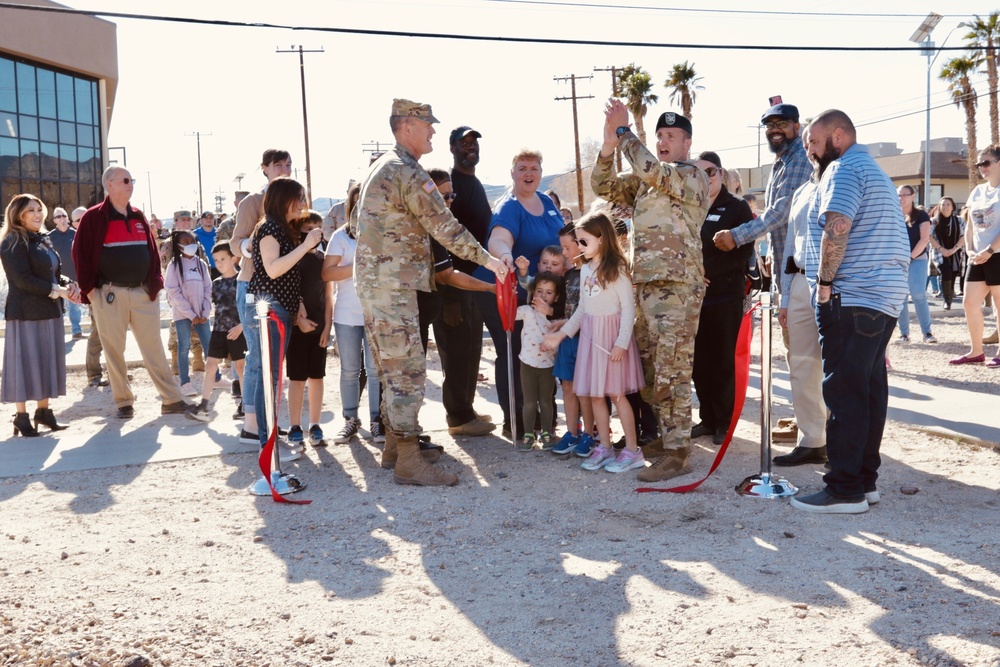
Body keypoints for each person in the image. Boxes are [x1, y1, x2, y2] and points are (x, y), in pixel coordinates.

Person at [354, 98, 505, 487]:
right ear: (407, 128)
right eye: (427, 126)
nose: (433, 131)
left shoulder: (382, 166)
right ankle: (408, 459)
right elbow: (446, 227)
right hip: (394, 285)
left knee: (391, 368)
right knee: (407, 371)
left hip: (379, 283)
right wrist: (490, 262)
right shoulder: (406, 170)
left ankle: (393, 446)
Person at [789, 109, 909, 514]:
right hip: (882, 297)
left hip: (853, 295)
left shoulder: (842, 169)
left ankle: (844, 490)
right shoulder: (872, 170)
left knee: (843, 391)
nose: (810, 150)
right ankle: (864, 481)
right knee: (868, 390)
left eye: (815, 142)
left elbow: (836, 226)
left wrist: (823, 285)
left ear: (838, 136)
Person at [592, 100, 709, 482]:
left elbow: (651, 170)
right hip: (646, 284)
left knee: (673, 371)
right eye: (659, 135)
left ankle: (678, 452)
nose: (663, 141)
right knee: (650, 369)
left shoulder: (692, 176)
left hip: (677, 287)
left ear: (687, 143)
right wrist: (610, 144)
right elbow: (603, 185)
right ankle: (666, 437)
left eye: (671, 136)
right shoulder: (646, 179)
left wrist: (627, 133)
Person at [712, 100, 813, 444]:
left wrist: (737, 236)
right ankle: (807, 421)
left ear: (797, 127)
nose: (775, 130)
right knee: (796, 353)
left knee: (804, 356)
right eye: (770, 125)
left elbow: (780, 213)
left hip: (803, 274)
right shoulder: (782, 163)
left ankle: (816, 432)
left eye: (782, 124)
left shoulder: (800, 159)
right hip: (787, 271)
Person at [72, 167, 192, 419]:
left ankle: (171, 399)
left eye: (131, 180)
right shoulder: (93, 217)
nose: (130, 184)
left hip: (142, 293)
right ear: (110, 184)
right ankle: (124, 402)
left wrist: (155, 285)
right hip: (108, 294)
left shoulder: (138, 216)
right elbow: (80, 255)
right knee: (114, 351)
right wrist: (91, 292)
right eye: (126, 180)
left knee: (154, 349)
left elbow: (151, 252)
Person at [543, 211, 646, 474]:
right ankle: (605, 447)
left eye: (583, 241)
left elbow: (628, 310)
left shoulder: (617, 270)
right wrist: (561, 334)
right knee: (595, 395)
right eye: (577, 241)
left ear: (602, 239)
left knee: (616, 394)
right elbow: (582, 311)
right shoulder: (586, 268)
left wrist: (622, 343)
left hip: (611, 339)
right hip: (591, 337)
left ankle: (633, 451)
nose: (579, 247)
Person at [472, 149, 564, 439]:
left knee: (541, 350)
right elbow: (498, 238)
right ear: (512, 173)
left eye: (534, 168)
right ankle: (516, 420)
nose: (529, 173)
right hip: (504, 291)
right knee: (513, 353)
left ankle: (543, 419)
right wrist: (506, 255)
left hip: (539, 292)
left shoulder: (547, 202)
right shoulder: (509, 206)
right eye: (522, 168)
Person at [246, 176, 323, 458]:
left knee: (274, 377)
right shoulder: (270, 229)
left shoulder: (282, 229)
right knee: (271, 377)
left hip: (282, 309)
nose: (303, 204)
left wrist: (298, 305)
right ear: (285, 200)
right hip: (271, 310)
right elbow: (273, 269)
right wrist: (305, 247)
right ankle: (267, 444)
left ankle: (269, 440)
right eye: (299, 198)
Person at [773, 128, 829, 467]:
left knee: (834, 367)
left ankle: (841, 441)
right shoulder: (803, 191)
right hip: (797, 282)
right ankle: (813, 439)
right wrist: (783, 297)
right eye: (807, 143)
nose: (810, 149)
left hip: (832, 285)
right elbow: (789, 245)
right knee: (802, 366)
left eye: (815, 142)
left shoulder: (843, 181)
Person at [690, 152, 755, 446]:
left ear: (721, 174)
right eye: (700, 173)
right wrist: (692, 273)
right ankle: (707, 418)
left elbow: (742, 253)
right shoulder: (690, 204)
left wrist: (706, 271)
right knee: (699, 363)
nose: (707, 178)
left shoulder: (737, 207)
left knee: (722, 361)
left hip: (725, 295)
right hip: (694, 297)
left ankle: (724, 422)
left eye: (711, 172)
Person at [230, 149, 293, 445]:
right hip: (252, 283)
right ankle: (252, 425)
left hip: (282, 286)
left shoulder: (293, 200)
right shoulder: (252, 202)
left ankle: (266, 422)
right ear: (265, 169)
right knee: (257, 356)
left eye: (288, 164)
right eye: (278, 164)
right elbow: (235, 242)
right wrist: (259, 247)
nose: (284, 169)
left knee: (273, 361)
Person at [1, 194, 78, 436]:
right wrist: (58, 291)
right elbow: (22, 279)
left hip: (49, 311)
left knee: (46, 361)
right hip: (25, 314)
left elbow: (52, 273)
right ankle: (21, 417)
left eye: (39, 209)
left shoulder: (42, 240)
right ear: (18, 215)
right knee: (24, 364)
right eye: (30, 210)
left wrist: (69, 284)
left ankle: (43, 413)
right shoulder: (12, 241)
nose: (37, 214)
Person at [436, 126, 495, 437]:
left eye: (474, 142)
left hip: (473, 283)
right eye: (464, 143)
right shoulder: (449, 186)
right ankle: (457, 416)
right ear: (452, 148)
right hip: (453, 287)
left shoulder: (473, 183)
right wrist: (449, 298)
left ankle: (465, 411)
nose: (470, 147)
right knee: (457, 353)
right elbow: (443, 241)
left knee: (470, 350)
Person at [323, 183, 383, 445]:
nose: (362, 207)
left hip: (376, 314)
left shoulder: (383, 233)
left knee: (375, 370)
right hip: (347, 315)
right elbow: (327, 273)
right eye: (357, 202)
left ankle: (377, 420)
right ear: (350, 206)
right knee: (349, 370)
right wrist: (358, 267)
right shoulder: (340, 236)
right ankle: (350, 420)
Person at [549, 223, 598, 456]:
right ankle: (572, 432)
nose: (565, 253)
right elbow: (567, 308)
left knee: (584, 389)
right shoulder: (568, 275)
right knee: (567, 385)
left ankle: (589, 433)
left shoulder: (592, 271)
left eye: (568, 248)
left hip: (586, 338)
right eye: (563, 248)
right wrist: (560, 322)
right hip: (567, 339)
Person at [285, 210, 332, 448]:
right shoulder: (293, 257)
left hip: (319, 329)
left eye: (318, 230)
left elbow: (329, 296)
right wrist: (298, 319)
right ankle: (295, 425)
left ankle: (315, 424)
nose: (314, 235)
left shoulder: (324, 259)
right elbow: (290, 292)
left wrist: (327, 327)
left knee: (317, 377)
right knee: (296, 378)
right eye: (307, 231)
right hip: (296, 328)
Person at [950, 145, 1000, 368]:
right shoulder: (977, 192)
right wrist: (970, 250)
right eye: (979, 164)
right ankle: (976, 351)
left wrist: (989, 250)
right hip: (977, 257)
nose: (981, 168)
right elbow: (969, 225)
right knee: (970, 303)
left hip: (997, 254)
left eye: (986, 163)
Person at [186, 242, 246, 423]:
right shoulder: (216, 283)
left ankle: (246, 405)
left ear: (233, 258)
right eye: (216, 260)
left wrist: (241, 326)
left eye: (223, 259)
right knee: (210, 365)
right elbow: (210, 307)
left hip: (238, 331)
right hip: (219, 331)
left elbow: (250, 308)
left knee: (241, 368)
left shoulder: (243, 281)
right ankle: (204, 406)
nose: (219, 263)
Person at [513, 272, 563, 451]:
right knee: (529, 401)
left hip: (548, 365)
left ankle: (546, 432)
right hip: (527, 362)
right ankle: (528, 433)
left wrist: (551, 345)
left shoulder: (556, 319)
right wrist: (508, 294)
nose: (543, 296)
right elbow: (509, 314)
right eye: (540, 291)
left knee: (546, 400)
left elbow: (560, 337)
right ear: (533, 293)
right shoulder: (527, 311)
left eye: (549, 292)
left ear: (556, 297)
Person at [164, 229, 213, 397]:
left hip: (202, 314)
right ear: (178, 246)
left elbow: (208, 289)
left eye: (192, 242)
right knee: (183, 347)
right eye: (185, 243)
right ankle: (185, 383)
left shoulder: (201, 264)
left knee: (209, 345)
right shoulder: (174, 265)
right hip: (183, 315)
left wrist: (205, 312)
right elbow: (173, 292)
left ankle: (216, 377)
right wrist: (191, 314)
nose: (189, 245)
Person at [70, 206, 109, 387]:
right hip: (94, 292)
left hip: (110, 291)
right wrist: (90, 293)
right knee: (98, 333)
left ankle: (116, 372)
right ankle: (93, 374)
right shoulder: (79, 242)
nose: (84, 221)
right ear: (74, 224)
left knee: (113, 333)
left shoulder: (98, 236)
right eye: (79, 220)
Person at [895, 185, 936, 344]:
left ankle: (927, 333)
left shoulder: (921, 215)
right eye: (899, 195)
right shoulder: (893, 214)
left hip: (917, 258)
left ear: (913, 196)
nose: (902, 198)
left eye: (905, 194)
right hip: (897, 261)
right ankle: (904, 334)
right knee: (901, 297)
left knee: (918, 294)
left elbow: (924, 239)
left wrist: (910, 257)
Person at [47, 206, 83, 339]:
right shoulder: (49, 237)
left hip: (74, 278)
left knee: (75, 307)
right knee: (58, 307)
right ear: (54, 220)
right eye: (58, 217)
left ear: (68, 218)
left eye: (63, 216)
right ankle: (57, 335)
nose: (61, 218)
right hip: (57, 279)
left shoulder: (75, 234)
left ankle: (76, 331)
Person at [929, 197, 964, 311]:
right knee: (945, 271)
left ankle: (949, 294)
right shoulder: (934, 221)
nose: (945, 207)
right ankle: (946, 300)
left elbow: (963, 237)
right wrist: (941, 249)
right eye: (943, 204)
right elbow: (929, 237)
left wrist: (954, 249)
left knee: (952, 275)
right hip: (939, 252)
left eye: (948, 204)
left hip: (955, 252)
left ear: (952, 207)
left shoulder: (959, 220)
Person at [194, 212, 220, 279]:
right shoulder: (194, 234)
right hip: (201, 269)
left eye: (211, 218)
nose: (209, 220)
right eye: (206, 218)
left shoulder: (219, 233)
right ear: (201, 220)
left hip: (218, 268)